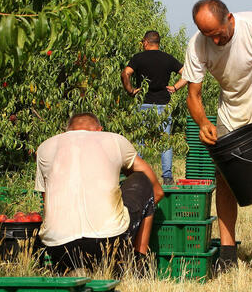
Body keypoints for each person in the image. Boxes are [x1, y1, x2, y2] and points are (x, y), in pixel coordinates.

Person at [183, 0, 252, 276]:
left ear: (229, 18)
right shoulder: (198, 44)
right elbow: (193, 95)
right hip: (231, 112)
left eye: (218, 33)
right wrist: (203, 122)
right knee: (223, 178)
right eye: (207, 35)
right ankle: (227, 253)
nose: (214, 40)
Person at [35, 112, 165, 275]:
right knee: (142, 179)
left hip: (58, 248)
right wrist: (145, 208)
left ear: (65, 132)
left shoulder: (45, 148)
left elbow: (48, 206)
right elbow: (157, 190)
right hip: (106, 243)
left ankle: (75, 267)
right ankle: (138, 264)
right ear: (100, 130)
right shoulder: (114, 140)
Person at [121, 30, 188, 185]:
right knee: (165, 142)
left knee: (141, 141)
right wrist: (175, 87)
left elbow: (125, 74)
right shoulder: (168, 59)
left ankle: (138, 175)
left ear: (146, 42)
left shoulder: (138, 58)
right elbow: (187, 73)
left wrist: (130, 91)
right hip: (163, 105)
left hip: (143, 104)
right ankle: (167, 177)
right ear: (158, 42)